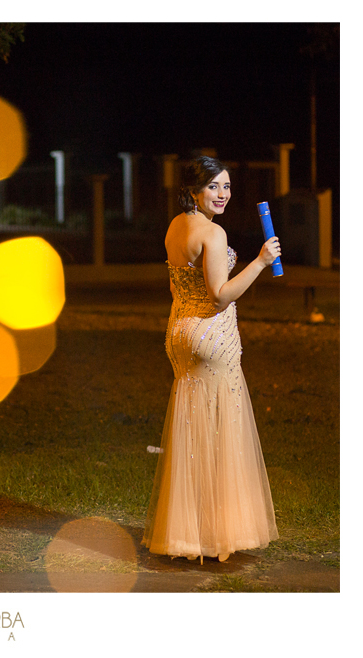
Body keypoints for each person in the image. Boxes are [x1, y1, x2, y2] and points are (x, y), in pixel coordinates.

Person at [142, 156, 280, 564]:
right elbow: (219, 295)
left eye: (228, 186)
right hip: (212, 336)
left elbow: (178, 282)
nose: (223, 194)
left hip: (180, 331)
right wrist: (260, 261)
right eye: (214, 187)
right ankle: (218, 532)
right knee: (222, 430)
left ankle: (189, 532)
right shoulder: (213, 234)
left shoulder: (175, 226)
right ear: (193, 191)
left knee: (192, 430)